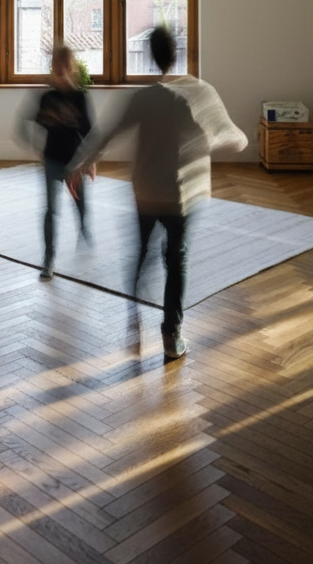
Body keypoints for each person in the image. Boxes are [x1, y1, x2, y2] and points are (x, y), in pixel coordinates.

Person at [69, 26, 247, 359]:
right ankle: (171, 336)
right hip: (183, 196)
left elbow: (105, 134)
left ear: (151, 56)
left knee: (140, 256)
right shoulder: (200, 93)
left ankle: (133, 321)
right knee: (176, 261)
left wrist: (80, 164)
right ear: (175, 53)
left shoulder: (141, 97)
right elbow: (236, 139)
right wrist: (213, 142)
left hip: (146, 193)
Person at [20, 44, 94, 281]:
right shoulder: (47, 98)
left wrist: (90, 161)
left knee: (80, 203)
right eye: (57, 64)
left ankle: (83, 227)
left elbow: (91, 132)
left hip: (75, 162)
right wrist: (33, 146)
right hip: (51, 159)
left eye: (65, 65)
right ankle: (48, 258)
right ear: (53, 66)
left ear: (71, 67)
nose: (60, 69)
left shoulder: (80, 98)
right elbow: (26, 122)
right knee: (51, 210)